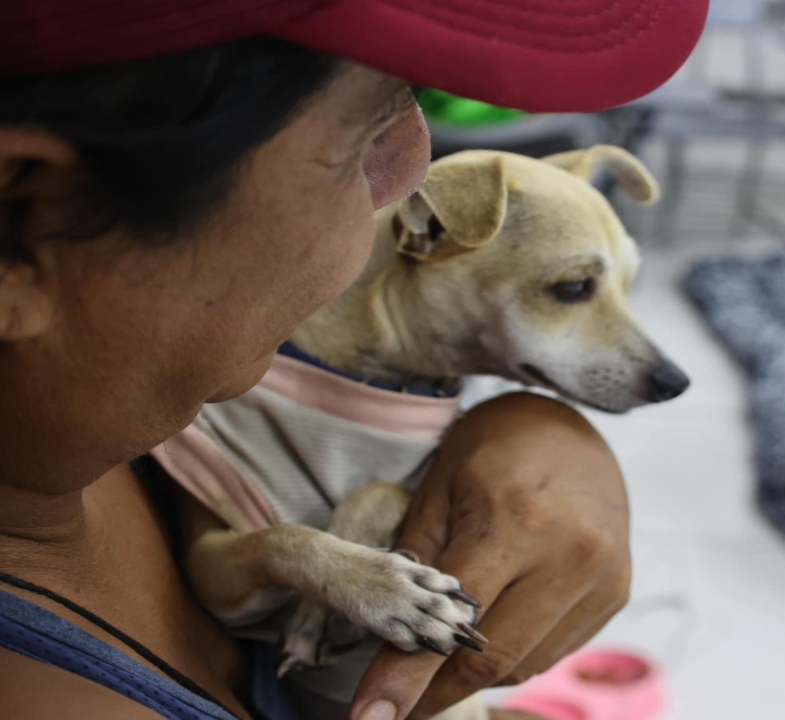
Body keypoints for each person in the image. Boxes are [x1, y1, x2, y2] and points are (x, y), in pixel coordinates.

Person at [0, 2, 707, 720]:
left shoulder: (139, 419)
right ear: (22, 226)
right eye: (371, 127)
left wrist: (523, 422)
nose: (417, 178)